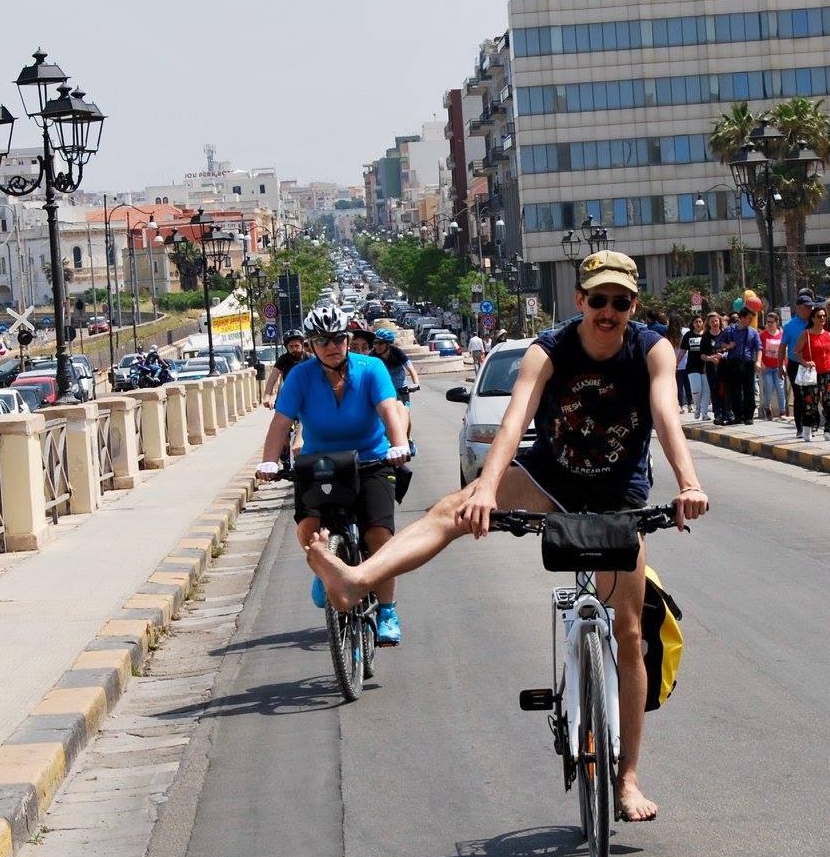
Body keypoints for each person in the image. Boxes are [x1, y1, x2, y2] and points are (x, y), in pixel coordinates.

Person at [302, 250, 708, 822]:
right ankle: (357, 579)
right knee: (453, 506)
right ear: (580, 301)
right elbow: (516, 416)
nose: (609, 312)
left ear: (633, 306)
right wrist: (488, 488)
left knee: (628, 627)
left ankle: (629, 779)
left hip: (620, 500)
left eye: (621, 302)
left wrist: (688, 482)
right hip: (547, 481)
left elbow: (666, 413)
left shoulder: (651, 349)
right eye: (599, 300)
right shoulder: (550, 348)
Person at [256, 306, 411, 645]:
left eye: (339, 338)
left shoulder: (372, 369)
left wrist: (398, 445)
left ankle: (387, 610)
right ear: (311, 346)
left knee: (379, 534)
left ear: (348, 340)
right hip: (320, 462)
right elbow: (281, 422)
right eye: (322, 340)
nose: (332, 346)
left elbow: (389, 409)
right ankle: (324, 568)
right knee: (309, 530)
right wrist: (269, 461)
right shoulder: (300, 377)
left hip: (371, 458)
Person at [791, 304, 830, 441]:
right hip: (813, 373)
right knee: (811, 402)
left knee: (829, 401)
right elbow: (796, 352)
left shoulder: (828, 335)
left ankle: (829, 430)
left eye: (824, 316)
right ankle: (807, 427)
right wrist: (806, 363)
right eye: (819, 316)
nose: (822, 318)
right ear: (813, 318)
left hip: (828, 372)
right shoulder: (806, 335)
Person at [717, 307, 760, 425]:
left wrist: (758, 361)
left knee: (749, 390)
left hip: (747, 363)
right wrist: (727, 346)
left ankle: (748, 416)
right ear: (741, 318)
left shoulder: (753, 332)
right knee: (735, 390)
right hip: (733, 363)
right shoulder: (729, 330)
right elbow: (719, 343)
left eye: (751, 319)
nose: (750, 321)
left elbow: (758, 348)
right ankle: (738, 415)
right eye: (748, 319)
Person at [262, 330, 308, 408]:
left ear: (302, 346)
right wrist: (267, 397)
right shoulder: (283, 359)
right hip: (289, 397)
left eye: (297, 346)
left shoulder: (310, 358)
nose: (294, 349)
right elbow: (272, 378)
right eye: (291, 346)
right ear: (286, 347)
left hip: (309, 397)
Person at [758, 312, 788, 421]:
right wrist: (761, 363)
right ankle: (767, 408)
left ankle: (782, 411)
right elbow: (759, 350)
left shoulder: (782, 334)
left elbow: (785, 350)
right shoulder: (763, 335)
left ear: (777, 322)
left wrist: (785, 364)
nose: (769, 324)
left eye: (772, 322)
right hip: (767, 367)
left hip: (779, 366)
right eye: (768, 322)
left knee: (780, 388)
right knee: (769, 388)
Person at [681, 316, 711, 420]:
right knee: (696, 389)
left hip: (706, 366)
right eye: (696, 322)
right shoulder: (688, 335)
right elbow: (683, 351)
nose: (698, 323)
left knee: (706, 390)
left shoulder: (707, 335)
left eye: (700, 321)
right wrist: (675, 363)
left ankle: (704, 413)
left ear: (703, 323)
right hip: (692, 367)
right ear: (693, 324)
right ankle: (697, 407)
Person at [701, 311, 729, 423]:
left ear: (719, 321)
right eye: (712, 321)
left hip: (724, 366)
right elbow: (702, 355)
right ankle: (717, 413)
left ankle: (725, 412)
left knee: (724, 389)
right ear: (708, 323)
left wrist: (722, 355)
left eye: (716, 321)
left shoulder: (725, 334)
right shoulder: (705, 337)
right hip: (711, 367)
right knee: (714, 389)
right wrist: (710, 358)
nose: (714, 323)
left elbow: (729, 349)